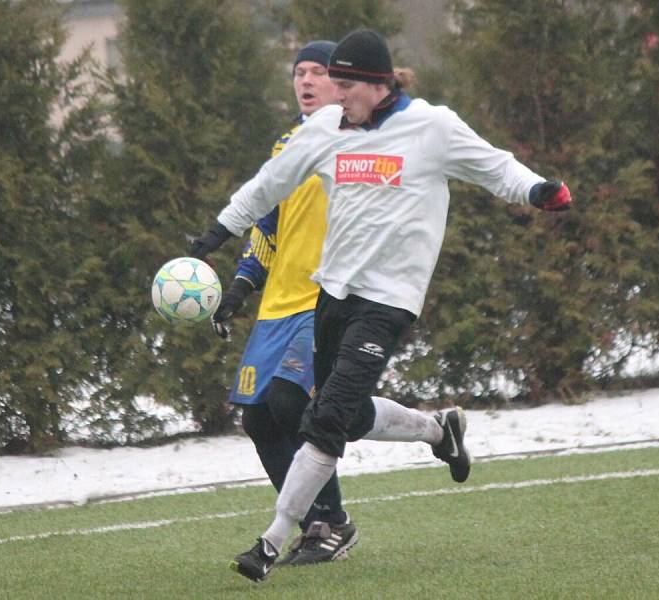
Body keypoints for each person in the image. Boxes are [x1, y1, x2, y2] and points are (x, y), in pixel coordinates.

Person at [190, 28, 572, 582]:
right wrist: (217, 232)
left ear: (378, 83)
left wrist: (540, 190)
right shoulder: (325, 129)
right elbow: (268, 185)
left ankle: (271, 543)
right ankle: (439, 431)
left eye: (344, 84)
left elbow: (497, 167)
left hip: (389, 303)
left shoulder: (432, 127)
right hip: (333, 294)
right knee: (332, 411)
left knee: (324, 419)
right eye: (332, 83)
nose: (334, 92)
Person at [211, 40, 358, 566]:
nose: (307, 80)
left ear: (341, 81)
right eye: (300, 72)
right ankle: (318, 517)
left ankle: (330, 521)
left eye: (319, 71)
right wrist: (240, 286)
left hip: (326, 297)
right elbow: (266, 225)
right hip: (278, 303)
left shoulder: (358, 139)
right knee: (258, 419)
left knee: (293, 403)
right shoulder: (285, 146)